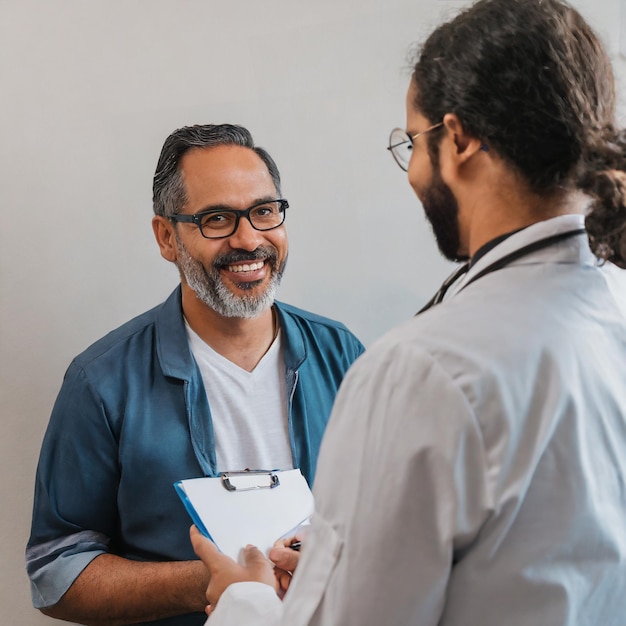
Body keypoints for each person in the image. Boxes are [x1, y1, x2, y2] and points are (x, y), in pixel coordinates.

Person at [190, 1, 626, 624]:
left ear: (459, 139)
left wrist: (245, 598)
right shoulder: (614, 302)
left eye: (412, 143)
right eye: (215, 218)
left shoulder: (420, 370)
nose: (413, 171)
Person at [26, 124, 364, 626]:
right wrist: (208, 583)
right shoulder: (101, 381)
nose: (249, 240)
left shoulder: (343, 354)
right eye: (217, 219)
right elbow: (56, 572)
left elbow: (401, 513)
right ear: (167, 237)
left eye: (264, 211)